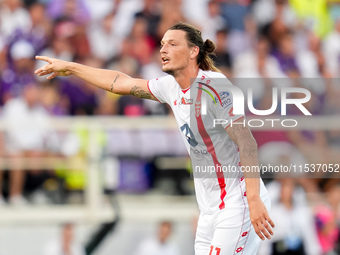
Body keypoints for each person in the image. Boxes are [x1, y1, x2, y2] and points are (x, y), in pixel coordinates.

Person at [35, 22, 274, 255]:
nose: (163, 49)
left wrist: (252, 199)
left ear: (193, 51)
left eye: (172, 44)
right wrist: (72, 68)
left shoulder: (215, 88)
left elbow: (247, 143)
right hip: (209, 210)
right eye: (162, 44)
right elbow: (121, 83)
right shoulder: (170, 86)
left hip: (239, 201)